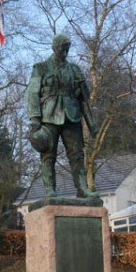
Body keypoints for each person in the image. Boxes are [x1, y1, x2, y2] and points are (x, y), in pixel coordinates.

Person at [26, 33, 99, 199]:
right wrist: (35, 118)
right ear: (54, 48)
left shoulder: (74, 70)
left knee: (77, 155)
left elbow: (84, 98)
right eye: (62, 49)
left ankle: (82, 188)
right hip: (48, 116)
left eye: (67, 49)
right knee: (48, 155)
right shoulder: (41, 68)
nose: (65, 52)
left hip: (72, 116)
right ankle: (50, 190)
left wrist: (91, 123)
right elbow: (32, 94)